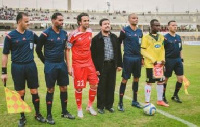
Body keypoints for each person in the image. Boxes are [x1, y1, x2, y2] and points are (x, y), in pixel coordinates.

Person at [1, 12, 45, 127]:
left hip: (31, 66)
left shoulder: (31, 34)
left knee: (34, 91)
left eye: (28, 21)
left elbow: (41, 42)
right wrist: (3, 72)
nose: (28, 23)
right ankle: (22, 117)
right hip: (17, 67)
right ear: (19, 21)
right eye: (26, 21)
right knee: (21, 92)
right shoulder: (10, 36)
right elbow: (5, 54)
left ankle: (38, 114)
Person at [36, 12, 75, 125]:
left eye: (62, 20)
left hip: (61, 64)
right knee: (50, 89)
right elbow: (38, 50)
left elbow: (66, 50)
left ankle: (64, 112)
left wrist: (68, 66)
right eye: (59, 20)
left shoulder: (64, 33)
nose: (62, 22)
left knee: (64, 88)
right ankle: (49, 115)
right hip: (50, 65)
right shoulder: (45, 34)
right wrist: (46, 62)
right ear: (53, 20)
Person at [66, 12, 99, 118]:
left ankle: (89, 106)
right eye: (85, 20)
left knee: (94, 85)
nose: (87, 22)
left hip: (89, 63)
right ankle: (79, 109)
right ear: (79, 22)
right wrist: (69, 67)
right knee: (79, 88)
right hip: (78, 65)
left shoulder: (90, 31)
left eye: (88, 20)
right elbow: (67, 50)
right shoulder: (73, 34)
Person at [91, 18, 122, 114]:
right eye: (105, 24)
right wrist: (95, 69)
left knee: (111, 86)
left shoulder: (114, 37)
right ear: (101, 26)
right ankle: (100, 106)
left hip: (112, 65)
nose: (107, 25)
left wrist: (119, 64)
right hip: (102, 66)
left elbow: (118, 52)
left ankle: (109, 105)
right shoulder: (96, 39)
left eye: (108, 23)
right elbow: (93, 55)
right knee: (101, 87)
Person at [118, 13, 143, 111]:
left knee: (136, 78)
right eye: (133, 18)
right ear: (129, 20)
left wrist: (142, 58)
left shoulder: (140, 31)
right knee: (125, 79)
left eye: (137, 18)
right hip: (128, 58)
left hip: (137, 58)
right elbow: (118, 43)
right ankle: (120, 103)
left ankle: (135, 101)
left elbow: (141, 45)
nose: (136, 19)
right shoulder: (124, 30)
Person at [141, 19, 169, 107]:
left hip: (160, 64)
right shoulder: (145, 37)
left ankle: (160, 100)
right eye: (156, 25)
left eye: (159, 25)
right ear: (151, 26)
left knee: (161, 82)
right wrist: (153, 60)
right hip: (150, 64)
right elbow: (142, 50)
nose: (158, 27)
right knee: (149, 82)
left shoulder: (161, 37)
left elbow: (162, 49)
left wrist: (163, 59)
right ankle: (147, 102)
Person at [163, 20, 183, 103]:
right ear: (168, 27)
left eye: (176, 25)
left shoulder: (178, 37)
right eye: (173, 25)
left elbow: (180, 49)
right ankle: (162, 96)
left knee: (180, 79)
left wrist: (181, 60)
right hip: (168, 60)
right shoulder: (165, 38)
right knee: (165, 79)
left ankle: (175, 95)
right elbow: (162, 50)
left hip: (178, 60)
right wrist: (163, 62)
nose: (175, 26)